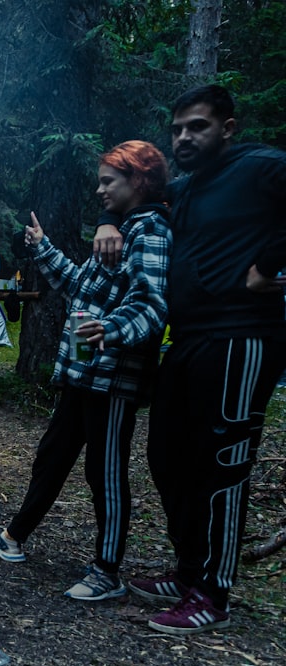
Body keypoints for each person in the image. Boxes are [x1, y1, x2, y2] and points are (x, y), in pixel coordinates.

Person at [94, 85, 286, 633]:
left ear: (227, 127)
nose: (184, 137)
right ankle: (187, 570)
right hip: (189, 339)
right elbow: (125, 196)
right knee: (166, 454)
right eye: (177, 128)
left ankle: (213, 593)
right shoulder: (184, 189)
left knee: (221, 464)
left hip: (243, 337)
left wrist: (269, 263)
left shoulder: (261, 167)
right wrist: (106, 223)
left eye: (197, 126)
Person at [0, 141, 171, 601]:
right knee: (52, 455)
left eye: (108, 181)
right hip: (83, 377)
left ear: (138, 181)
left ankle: (107, 572)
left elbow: (153, 303)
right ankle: (14, 538)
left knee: (104, 472)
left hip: (112, 380)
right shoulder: (121, 230)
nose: (99, 189)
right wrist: (42, 248)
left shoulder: (151, 232)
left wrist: (111, 328)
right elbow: (78, 284)